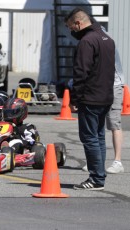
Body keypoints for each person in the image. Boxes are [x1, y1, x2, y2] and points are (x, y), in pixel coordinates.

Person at [65, 7, 115, 190]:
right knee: (99, 137)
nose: (71, 31)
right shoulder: (106, 38)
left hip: (90, 96)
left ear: (78, 23)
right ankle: (99, 175)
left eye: (70, 27)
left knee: (90, 138)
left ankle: (96, 179)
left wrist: (75, 98)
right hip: (105, 95)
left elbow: (80, 72)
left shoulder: (87, 41)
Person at [2, 98, 40, 162]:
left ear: (22, 112)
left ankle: (8, 153)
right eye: (7, 113)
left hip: (20, 149)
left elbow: (31, 142)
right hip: (1, 144)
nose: (9, 116)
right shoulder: (3, 125)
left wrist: (16, 135)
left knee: (16, 142)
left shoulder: (27, 127)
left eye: (12, 113)